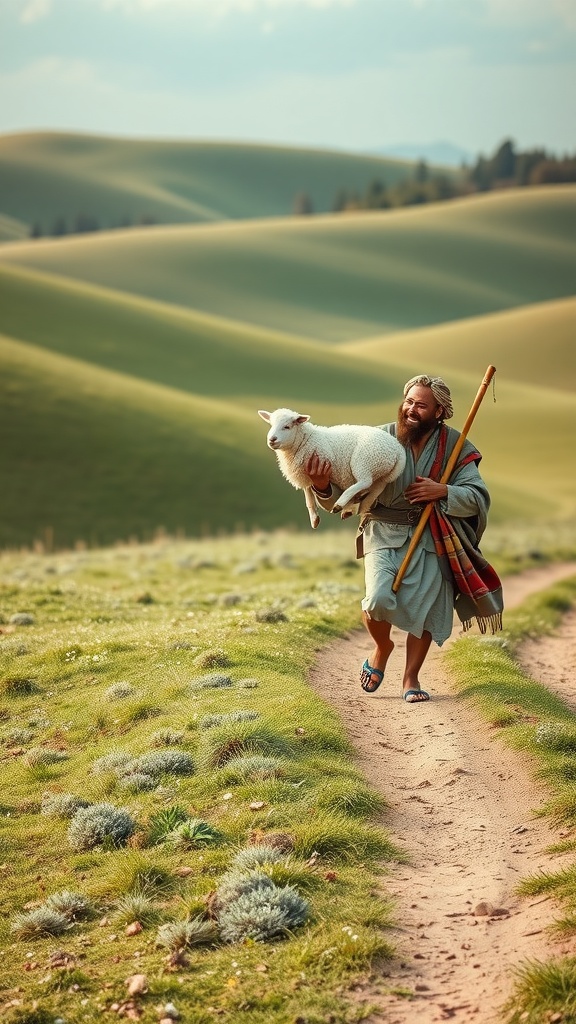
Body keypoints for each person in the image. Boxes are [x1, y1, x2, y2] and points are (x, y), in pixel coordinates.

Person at [305, 374, 501, 704]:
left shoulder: (456, 446)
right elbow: (344, 493)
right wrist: (322, 486)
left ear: (439, 411)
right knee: (378, 598)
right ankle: (382, 647)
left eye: (421, 405)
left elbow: (478, 496)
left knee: (426, 609)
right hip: (381, 529)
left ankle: (411, 677)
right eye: (408, 401)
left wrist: (444, 491)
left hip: (432, 534)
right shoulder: (375, 438)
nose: (411, 409)